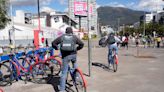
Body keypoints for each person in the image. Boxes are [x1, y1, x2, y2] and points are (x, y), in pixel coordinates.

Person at [51, 27, 84, 92]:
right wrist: (77, 49)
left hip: (65, 56)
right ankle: (76, 77)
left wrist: (56, 47)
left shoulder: (62, 37)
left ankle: (62, 90)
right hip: (73, 55)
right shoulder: (74, 37)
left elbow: (53, 43)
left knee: (64, 73)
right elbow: (81, 44)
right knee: (74, 64)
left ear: (66, 32)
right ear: (71, 32)